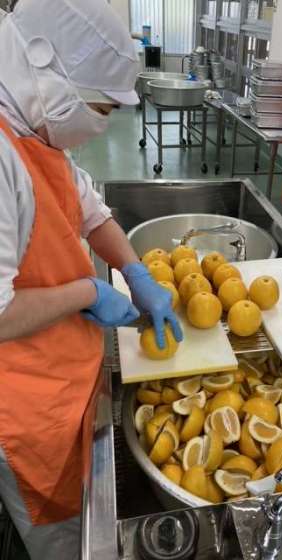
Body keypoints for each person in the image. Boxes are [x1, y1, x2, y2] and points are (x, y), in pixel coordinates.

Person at [0, 0, 182, 558]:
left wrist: (134, 271)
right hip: (25, 403)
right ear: (45, 70)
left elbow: (91, 212)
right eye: (98, 109)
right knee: (64, 536)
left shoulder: (34, 128)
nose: (100, 125)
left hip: (68, 371)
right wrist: (87, 291)